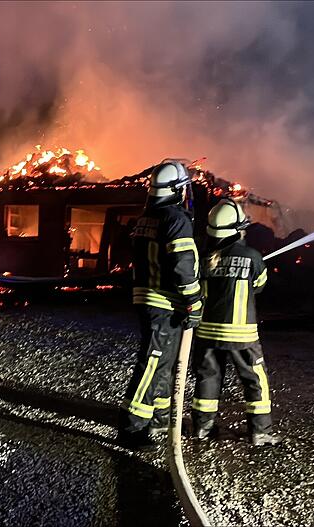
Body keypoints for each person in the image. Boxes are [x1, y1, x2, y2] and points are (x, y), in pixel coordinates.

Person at [119, 161, 203, 451]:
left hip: (148, 298)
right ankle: (132, 427)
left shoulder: (148, 216)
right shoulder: (175, 218)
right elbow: (182, 262)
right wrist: (193, 298)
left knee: (163, 365)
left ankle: (159, 419)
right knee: (153, 363)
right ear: (177, 190)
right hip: (163, 302)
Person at [192, 199, 281, 446]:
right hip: (242, 333)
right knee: (254, 379)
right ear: (237, 228)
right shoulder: (252, 256)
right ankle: (260, 432)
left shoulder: (204, 256)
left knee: (208, 377)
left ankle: (202, 428)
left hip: (207, 331)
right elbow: (260, 286)